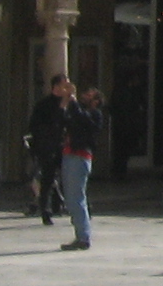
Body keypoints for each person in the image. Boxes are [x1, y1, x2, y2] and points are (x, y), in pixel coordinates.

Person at [58, 83, 103, 252]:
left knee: (77, 197)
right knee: (70, 198)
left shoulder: (95, 115)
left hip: (80, 157)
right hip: (70, 155)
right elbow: (64, 121)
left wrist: (73, 101)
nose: (85, 96)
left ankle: (83, 236)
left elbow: (83, 120)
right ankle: (80, 233)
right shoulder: (78, 111)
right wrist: (65, 104)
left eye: (89, 95)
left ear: (96, 101)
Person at [24, 76, 69, 226]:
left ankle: (62, 205)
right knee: (47, 179)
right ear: (56, 86)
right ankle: (46, 210)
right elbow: (38, 126)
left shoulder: (70, 104)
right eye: (64, 86)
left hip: (65, 146)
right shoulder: (44, 105)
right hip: (48, 147)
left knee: (69, 177)